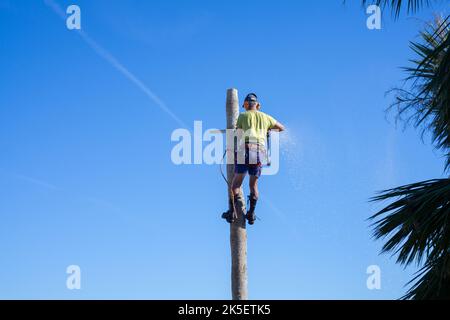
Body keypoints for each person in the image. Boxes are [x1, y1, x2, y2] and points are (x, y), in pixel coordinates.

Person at [222, 93, 284, 225]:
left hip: (245, 149)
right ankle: (251, 213)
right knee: (253, 185)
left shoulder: (243, 116)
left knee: (236, 184)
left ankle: (232, 212)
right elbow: (281, 128)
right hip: (260, 152)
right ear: (258, 105)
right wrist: (268, 131)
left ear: (245, 105)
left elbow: (237, 135)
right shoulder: (266, 117)